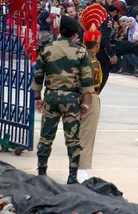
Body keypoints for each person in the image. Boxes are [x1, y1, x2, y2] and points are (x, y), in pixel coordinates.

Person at [31, 16, 95, 184]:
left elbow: (38, 75)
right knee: (73, 139)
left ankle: (42, 172)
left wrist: (38, 97)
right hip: (72, 99)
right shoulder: (81, 51)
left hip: (51, 97)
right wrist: (86, 103)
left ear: (59, 30)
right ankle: (72, 176)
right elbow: (87, 80)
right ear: (75, 34)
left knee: (46, 136)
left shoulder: (46, 49)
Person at [78, 4, 108, 182]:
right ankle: (81, 173)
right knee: (86, 137)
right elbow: (93, 83)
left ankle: (76, 170)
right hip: (90, 99)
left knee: (75, 135)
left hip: (76, 98)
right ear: (96, 45)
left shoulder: (78, 56)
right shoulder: (93, 62)